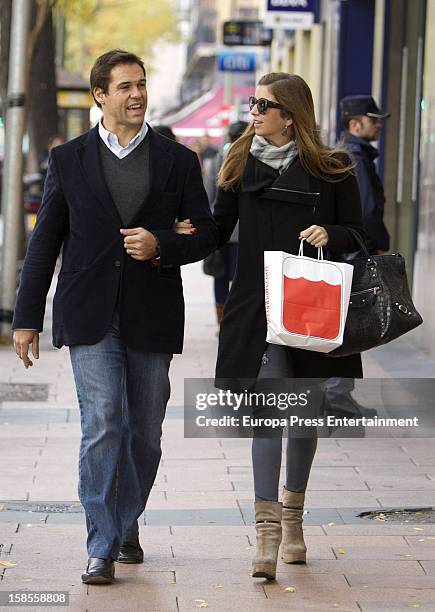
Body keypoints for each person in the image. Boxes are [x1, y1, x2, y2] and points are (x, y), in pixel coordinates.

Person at [12, 49, 218, 585]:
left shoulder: (177, 160)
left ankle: (127, 522)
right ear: (100, 95)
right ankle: (101, 542)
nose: (136, 95)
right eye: (125, 86)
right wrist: (27, 317)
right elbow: (46, 242)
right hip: (88, 312)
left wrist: (161, 244)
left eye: (141, 85)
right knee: (103, 423)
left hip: (152, 310)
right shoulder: (69, 159)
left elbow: (207, 231)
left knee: (145, 433)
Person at [179, 73, 365, 580]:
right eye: (253, 102)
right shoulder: (239, 163)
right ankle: (266, 536)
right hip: (257, 305)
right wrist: (173, 240)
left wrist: (333, 231)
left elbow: (365, 232)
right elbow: (218, 230)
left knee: (303, 413)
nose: (254, 111)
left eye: (265, 104)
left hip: (313, 306)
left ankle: (293, 521)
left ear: (291, 114)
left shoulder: (332, 170)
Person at [324, 95, 391, 419]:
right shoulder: (355, 158)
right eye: (373, 118)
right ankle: (336, 394)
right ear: (355, 124)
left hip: (351, 251)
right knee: (352, 325)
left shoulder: (353, 154)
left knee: (349, 324)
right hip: (355, 254)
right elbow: (364, 211)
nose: (379, 124)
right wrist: (375, 246)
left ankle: (338, 393)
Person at [202, 121, 247, 327]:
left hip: (220, 230)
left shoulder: (216, 161)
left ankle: (222, 323)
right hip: (245, 232)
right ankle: (236, 322)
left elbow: (208, 198)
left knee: (220, 277)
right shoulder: (252, 161)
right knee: (241, 278)